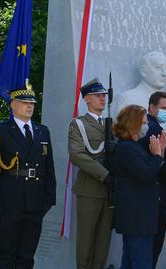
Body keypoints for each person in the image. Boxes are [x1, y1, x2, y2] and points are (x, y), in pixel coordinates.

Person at [0, 84, 56, 269]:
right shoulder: (0, 130)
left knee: (27, 257)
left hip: (35, 202)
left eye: (32, 103)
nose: (29, 106)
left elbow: (49, 168)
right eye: (24, 102)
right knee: (6, 257)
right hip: (9, 203)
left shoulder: (42, 131)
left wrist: (49, 199)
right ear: (12, 105)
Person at [110, 105, 166, 269]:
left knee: (130, 261)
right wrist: (157, 156)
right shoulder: (127, 148)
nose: (146, 127)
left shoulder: (134, 146)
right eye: (143, 123)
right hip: (137, 218)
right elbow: (146, 175)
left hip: (138, 218)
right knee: (141, 262)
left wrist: (160, 154)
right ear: (132, 124)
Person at [68, 78, 113, 269]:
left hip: (110, 192)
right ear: (87, 99)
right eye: (98, 96)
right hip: (90, 190)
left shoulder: (112, 124)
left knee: (103, 245)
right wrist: (105, 175)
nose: (103, 99)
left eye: (104, 95)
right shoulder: (79, 124)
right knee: (86, 243)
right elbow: (77, 155)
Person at [113, 51, 166, 155]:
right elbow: (121, 135)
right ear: (143, 71)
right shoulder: (127, 98)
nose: (164, 73)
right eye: (158, 68)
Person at [137, 91, 166, 268]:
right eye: (163, 108)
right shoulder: (152, 129)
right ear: (151, 107)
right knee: (151, 252)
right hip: (156, 196)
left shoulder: (151, 125)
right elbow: (164, 165)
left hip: (150, 197)